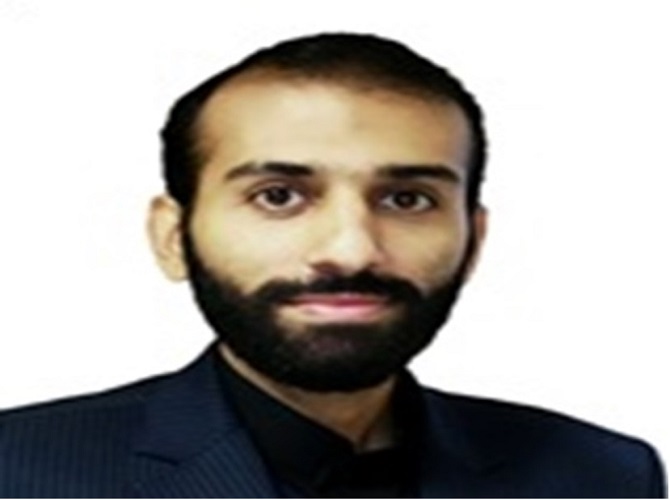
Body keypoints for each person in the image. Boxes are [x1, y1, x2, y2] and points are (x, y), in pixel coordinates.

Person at [0, 32, 665, 498]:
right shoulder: (18, 471)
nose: (351, 250)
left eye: (407, 199)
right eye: (278, 196)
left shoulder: (604, 478)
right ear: (173, 237)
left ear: (474, 239)